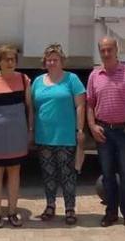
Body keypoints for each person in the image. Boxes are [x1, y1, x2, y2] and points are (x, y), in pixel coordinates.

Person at [86, 36, 125, 231]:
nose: (107, 53)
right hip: (104, 132)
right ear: (99, 52)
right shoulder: (94, 75)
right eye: (103, 50)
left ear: (117, 50)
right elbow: (90, 104)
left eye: (110, 49)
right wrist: (92, 126)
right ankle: (111, 213)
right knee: (108, 175)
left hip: (124, 131)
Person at [31, 44, 86, 225]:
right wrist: (31, 130)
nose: (52, 62)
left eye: (56, 59)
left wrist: (80, 130)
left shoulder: (72, 79)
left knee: (67, 173)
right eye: (49, 59)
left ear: (62, 61)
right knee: (48, 174)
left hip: (65, 135)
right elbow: (31, 107)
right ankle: (50, 205)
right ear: (44, 62)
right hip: (44, 135)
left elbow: (80, 106)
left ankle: (70, 208)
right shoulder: (38, 81)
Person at [0, 45, 33, 228]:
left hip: (17, 132)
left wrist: (30, 130)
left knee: (14, 171)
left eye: (13, 59)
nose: (10, 62)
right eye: (6, 59)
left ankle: (12, 211)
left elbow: (29, 108)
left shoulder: (24, 80)